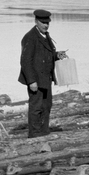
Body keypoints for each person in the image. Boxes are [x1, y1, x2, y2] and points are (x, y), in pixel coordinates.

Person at [18, 9, 62, 138]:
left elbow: (46, 54)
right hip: (36, 80)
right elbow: (25, 61)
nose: (46, 25)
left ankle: (44, 132)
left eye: (47, 23)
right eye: (43, 22)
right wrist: (31, 81)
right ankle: (34, 135)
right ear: (36, 21)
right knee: (36, 108)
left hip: (46, 79)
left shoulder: (45, 35)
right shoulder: (30, 37)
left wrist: (57, 55)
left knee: (46, 106)